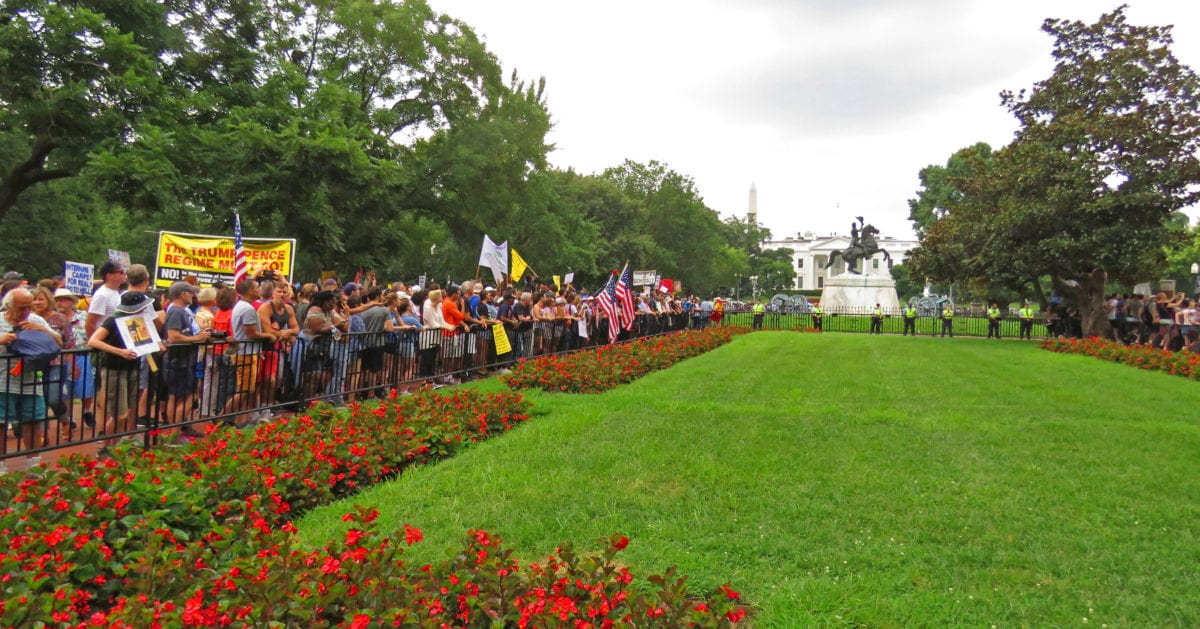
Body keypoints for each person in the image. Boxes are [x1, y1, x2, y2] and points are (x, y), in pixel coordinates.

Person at [1, 288, 63, 459]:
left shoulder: (35, 319)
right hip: (2, 381)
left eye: (29, 307)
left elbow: (59, 342)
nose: (26, 311)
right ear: (9, 306)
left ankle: (34, 464)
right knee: (1, 422)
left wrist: (43, 330)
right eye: (21, 308)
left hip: (31, 382)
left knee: (33, 421)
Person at [87, 291, 153, 451]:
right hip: (114, 369)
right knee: (119, 414)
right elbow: (93, 341)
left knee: (126, 412)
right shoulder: (113, 320)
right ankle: (105, 448)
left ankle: (115, 447)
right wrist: (119, 351)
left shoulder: (138, 320)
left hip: (131, 368)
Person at [224, 279, 278, 424]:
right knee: (244, 390)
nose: (259, 289)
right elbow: (251, 333)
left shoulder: (242, 306)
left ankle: (232, 419)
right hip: (246, 354)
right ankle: (222, 419)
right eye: (256, 287)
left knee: (247, 390)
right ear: (250, 291)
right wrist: (268, 335)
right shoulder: (247, 309)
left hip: (246, 352)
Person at [163, 281, 209, 438]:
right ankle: (174, 434)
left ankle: (172, 433)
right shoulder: (177, 311)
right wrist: (197, 338)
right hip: (179, 361)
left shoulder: (180, 311)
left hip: (181, 360)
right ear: (183, 294)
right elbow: (173, 336)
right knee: (186, 396)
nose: (193, 295)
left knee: (176, 397)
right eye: (190, 292)